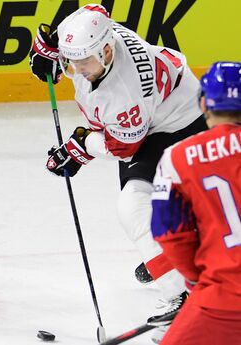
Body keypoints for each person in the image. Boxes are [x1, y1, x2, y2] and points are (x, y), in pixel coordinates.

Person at [28, 3, 207, 338]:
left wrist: (79, 147)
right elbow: (92, 8)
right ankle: (172, 258)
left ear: (107, 50)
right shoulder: (98, 35)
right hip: (161, 113)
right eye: (72, 61)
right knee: (151, 203)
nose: (77, 69)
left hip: (180, 125)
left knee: (134, 205)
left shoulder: (126, 93)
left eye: (83, 61)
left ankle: (181, 297)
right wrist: (52, 50)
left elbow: (121, 147)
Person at [151, 61, 241, 344]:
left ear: (203, 103)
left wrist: (193, 280)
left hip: (220, 299)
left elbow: (171, 234)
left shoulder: (176, 158)